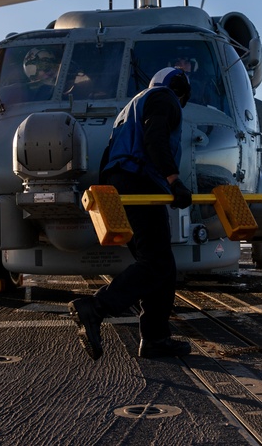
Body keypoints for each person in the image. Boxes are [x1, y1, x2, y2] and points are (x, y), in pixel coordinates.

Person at [69, 67, 194, 360]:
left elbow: (112, 152)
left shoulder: (131, 107)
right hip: (139, 181)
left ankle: (155, 339)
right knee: (157, 262)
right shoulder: (164, 98)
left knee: (160, 265)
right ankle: (96, 308)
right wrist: (174, 179)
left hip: (123, 182)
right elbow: (155, 140)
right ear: (180, 90)